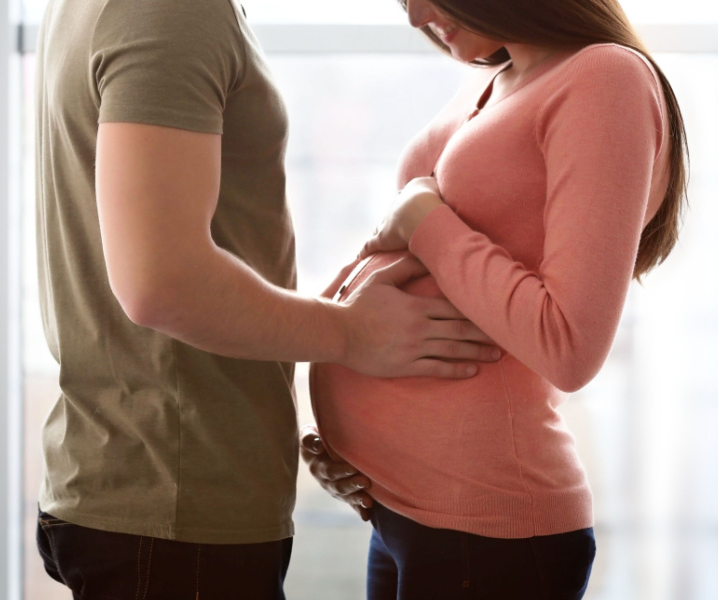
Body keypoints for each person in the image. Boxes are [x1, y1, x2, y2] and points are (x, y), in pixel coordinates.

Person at [29, 0, 504, 597]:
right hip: (177, 504)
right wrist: (354, 334)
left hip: (153, 488)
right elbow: (162, 282)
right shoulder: (171, 10)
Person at [303, 0, 689, 598]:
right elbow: (408, 257)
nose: (414, 17)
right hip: (401, 510)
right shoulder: (492, 78)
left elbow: (569, 345)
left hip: (487, 532)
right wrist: (349, 439)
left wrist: (423, 215)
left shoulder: (605, 77)